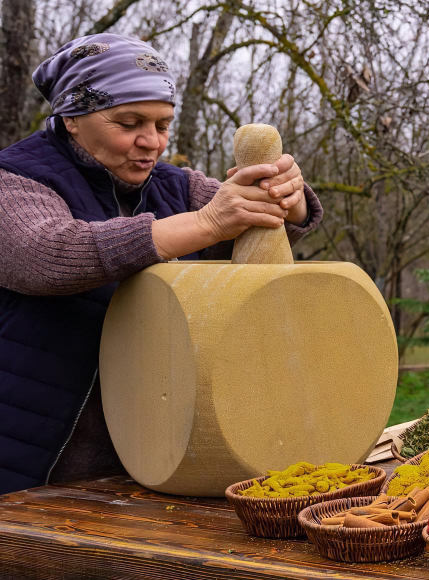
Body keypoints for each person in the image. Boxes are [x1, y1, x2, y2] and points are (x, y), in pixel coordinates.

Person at [0, 33, 323, 495]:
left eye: (163, 124)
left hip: (151, 454)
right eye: (129, 122)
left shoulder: (178, 187)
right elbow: (48, 256)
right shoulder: (15, 179)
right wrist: (208, 223)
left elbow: (249, 234)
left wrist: (287, 201)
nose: (150, 142)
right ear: (71, 117)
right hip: (34, 452)